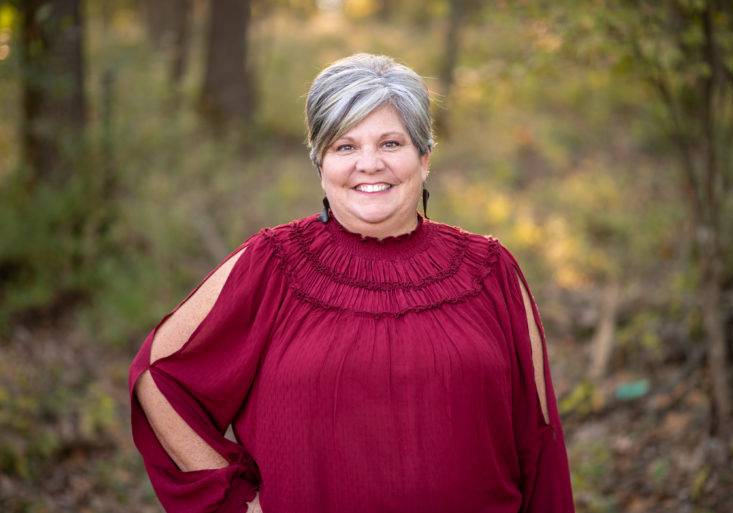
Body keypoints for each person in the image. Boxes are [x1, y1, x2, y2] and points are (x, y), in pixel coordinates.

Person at [130, 53, 574, 513]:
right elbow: (159, 378)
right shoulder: (271, 264)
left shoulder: (490, 270)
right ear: (320, 165)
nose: (369, 164)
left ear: (424, 158)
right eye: (345, 147)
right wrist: (241, 504)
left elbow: (539, 442)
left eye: (390, 143)